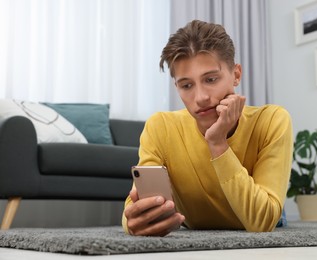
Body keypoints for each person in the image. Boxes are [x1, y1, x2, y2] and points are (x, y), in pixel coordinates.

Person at [122, 20, 293, 237]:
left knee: (270, 208)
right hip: (193, 223)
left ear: (236, 74)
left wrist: (218, 143)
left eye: (211, 79)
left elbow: (261, 222)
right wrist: (132, 221)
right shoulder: (160, 126)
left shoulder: (272, 120)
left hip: (260, 207)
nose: (201, 98)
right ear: (177, 87)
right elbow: (134, 205)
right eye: (186, 85)